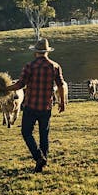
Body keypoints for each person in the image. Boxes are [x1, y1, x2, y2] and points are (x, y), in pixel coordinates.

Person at [5, 38, 67, 173]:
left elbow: (20, 85)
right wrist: (62, 102)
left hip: (31, 106)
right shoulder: (55, 66)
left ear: (36, 52)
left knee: (26, 132)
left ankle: (39, 157)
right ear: (47, 52)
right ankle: (42, 161)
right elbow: (61, 85)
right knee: (44, 134)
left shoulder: (29, 66)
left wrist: (5, 88)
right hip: (46, 106)